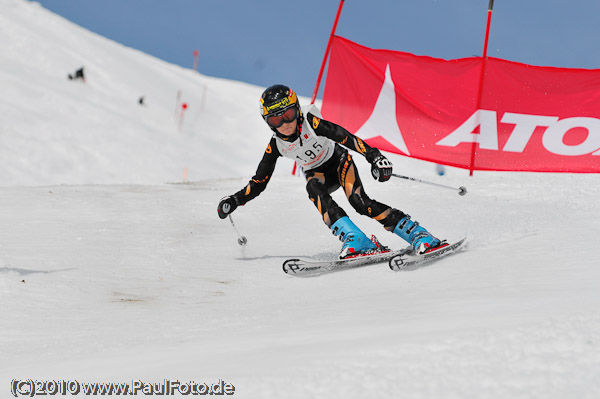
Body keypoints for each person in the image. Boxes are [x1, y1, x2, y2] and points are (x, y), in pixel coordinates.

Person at [217, 84, 446, 259]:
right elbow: (260, 181)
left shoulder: (310, 122)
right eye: (276, 119)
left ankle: (419, 234)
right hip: (318, 175)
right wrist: (235, 200)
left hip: (338, 163)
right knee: (312, 187)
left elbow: (346, 137)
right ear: (268, 122)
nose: (284, 124)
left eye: (287, 115)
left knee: (359, 202)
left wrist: (374, 157)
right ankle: (357, 239)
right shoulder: (276, 145)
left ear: (297, 110)